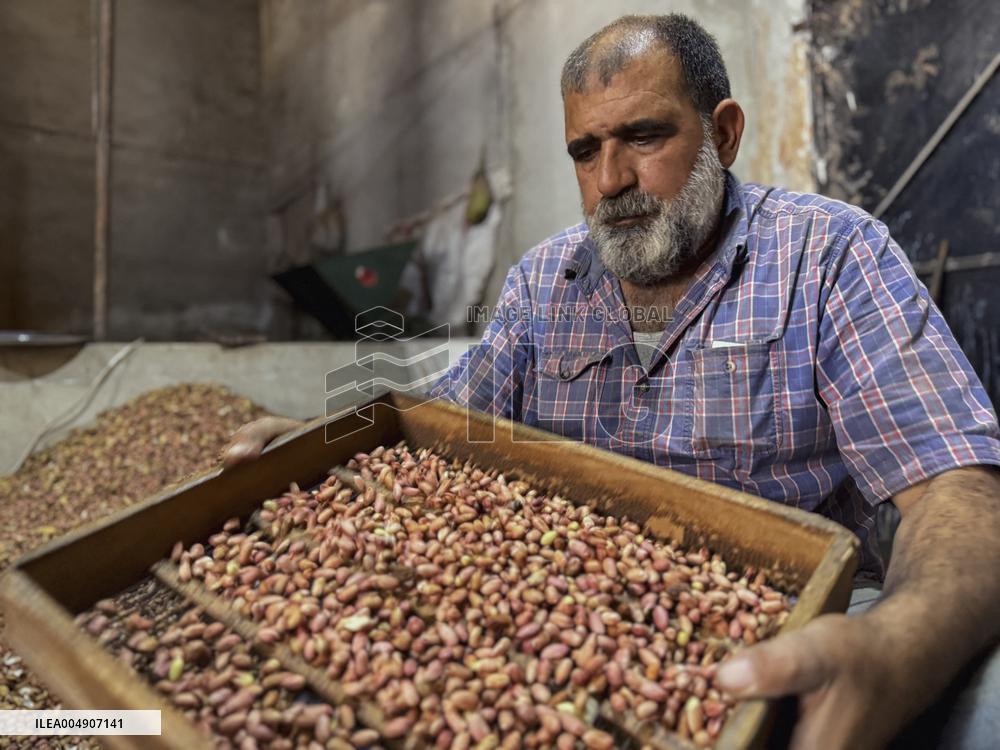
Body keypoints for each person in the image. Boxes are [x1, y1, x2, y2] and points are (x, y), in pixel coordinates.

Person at [223, 14, 1000, 750]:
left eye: (644, 136)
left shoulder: (829, 255)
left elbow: (952, 491)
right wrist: (317, 438)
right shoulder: (544, 282)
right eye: (584, 151)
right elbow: (444, 421)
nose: (611, 180)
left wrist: (894, 649)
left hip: (796, 617)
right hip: (571, 609)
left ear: (723, 134)